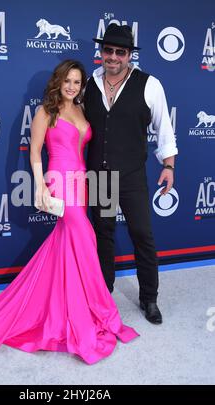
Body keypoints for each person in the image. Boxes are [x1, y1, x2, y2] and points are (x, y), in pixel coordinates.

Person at [0, 60, 138, 365]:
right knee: (85, 238)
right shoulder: (45, 111)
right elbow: (34, 150)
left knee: (67, 245)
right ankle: (98, 311)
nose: (72, 87)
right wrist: (40, 186)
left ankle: (68, 306)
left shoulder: (81, 110)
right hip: (59, 180)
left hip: (82, 182)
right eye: (68, 81)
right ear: (59, 81)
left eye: (77, 82)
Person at [84, 24, 178, 325]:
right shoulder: (89, 83)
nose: (113, 57)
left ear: (129, 55)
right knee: (103, 236)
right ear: (101, 52)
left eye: (120, 52)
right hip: (99, 176)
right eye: (108, 50)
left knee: (142, 236)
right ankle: (102, 293)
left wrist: (169, 166)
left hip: (132, 176)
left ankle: (149, 298)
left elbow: (165, 131)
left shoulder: (150, 85)